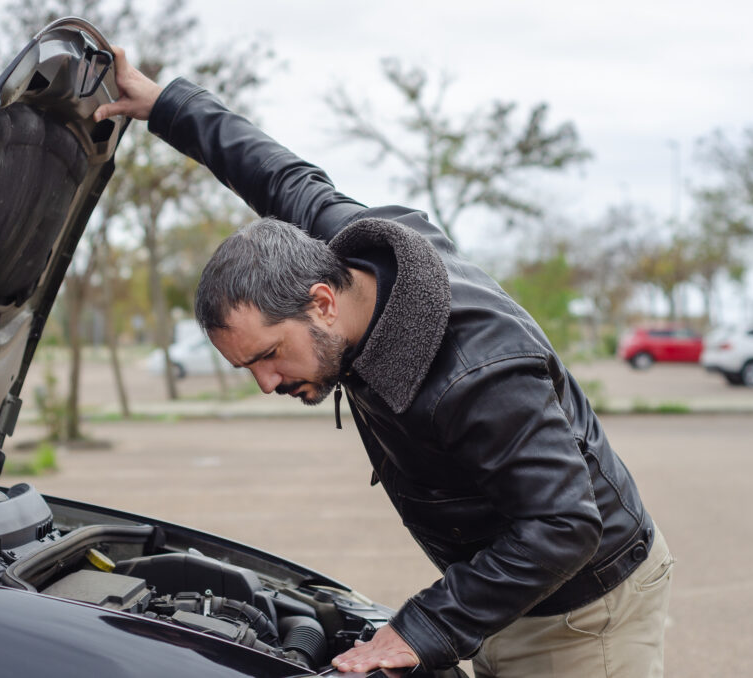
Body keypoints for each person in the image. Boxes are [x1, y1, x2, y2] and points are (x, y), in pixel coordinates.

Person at [94, 48, 674, 677]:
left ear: (320, 302)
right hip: (509, 592)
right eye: (247, 369)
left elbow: (564, 523)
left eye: (267, 356)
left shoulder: (477, 371)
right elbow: (277, 175)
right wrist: (166, 105)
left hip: (586, 612)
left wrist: (424, 626)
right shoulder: (344, 252)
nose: (266, 384)